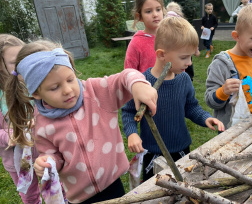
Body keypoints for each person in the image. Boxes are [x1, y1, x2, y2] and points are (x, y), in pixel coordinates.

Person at [5, 40, 158, 203]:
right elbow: (54, 155)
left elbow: (125, 77)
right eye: (54, 87)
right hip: (79, 197)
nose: (67, 90)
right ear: (36, 93)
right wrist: (48, 162)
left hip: (112, 183)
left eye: (70, 79)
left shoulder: (96, 93)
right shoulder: (42, 123)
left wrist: (138, 85)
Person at [122, 17, 225, 182]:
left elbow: (191, 107)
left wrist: (206, 118)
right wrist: (132, 133)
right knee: (155, 192)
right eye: (184, 57)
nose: (189, 63)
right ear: (162, 55)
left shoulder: (184, 79)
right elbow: (128, 111)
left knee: (182, 186)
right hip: (153, 152)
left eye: (191, 57)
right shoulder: (142, 83)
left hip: (181, 149)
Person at [0, 34, 41, 204]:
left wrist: (39, 119)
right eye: (14, 62)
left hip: (44, 152)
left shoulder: (33, 83)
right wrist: (12, 135)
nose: (22, 65)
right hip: (17, 161)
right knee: (30, 197)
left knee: (56, 188)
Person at [124, 0, 164, 73]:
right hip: (145, 85)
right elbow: (128, 74)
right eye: (148, 11)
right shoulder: (136, 43)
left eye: (158, 9)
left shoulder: (170, 37)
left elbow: (179, 64)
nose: (155, 15)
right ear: (140, 16)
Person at [166, 1, 200, 81]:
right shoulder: (168, 26)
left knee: (188, 66)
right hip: (177, 53)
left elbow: (191, 37)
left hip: (186, 51)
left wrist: (196, 49)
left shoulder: (183, 24)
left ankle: (189, 79)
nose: (171, 16)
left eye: (174, 13)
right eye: (169, 13)